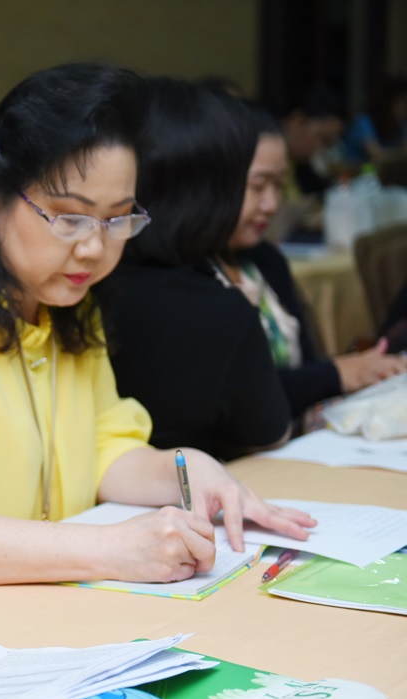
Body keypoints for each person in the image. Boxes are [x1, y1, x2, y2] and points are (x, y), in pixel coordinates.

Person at [0, 64, 313, 592]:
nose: (94, 248)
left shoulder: (64, 305)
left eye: (117, 219)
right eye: (69, 219)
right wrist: (107, 549)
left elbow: (104, 451)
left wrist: (187, 469)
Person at [99, 78, 293, 460]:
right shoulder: (218, 310)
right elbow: (267, 435)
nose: (268, 203)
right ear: (212, 198)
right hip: (177, 487)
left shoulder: (76, 283)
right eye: (247, 185)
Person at [224, 103, 407, 416]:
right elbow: (234, 397)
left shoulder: (266, 261)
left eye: (279, 185)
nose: (272, 204)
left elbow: (305, 365)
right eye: (257, 186)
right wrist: (336, 374)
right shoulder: (187, 279)